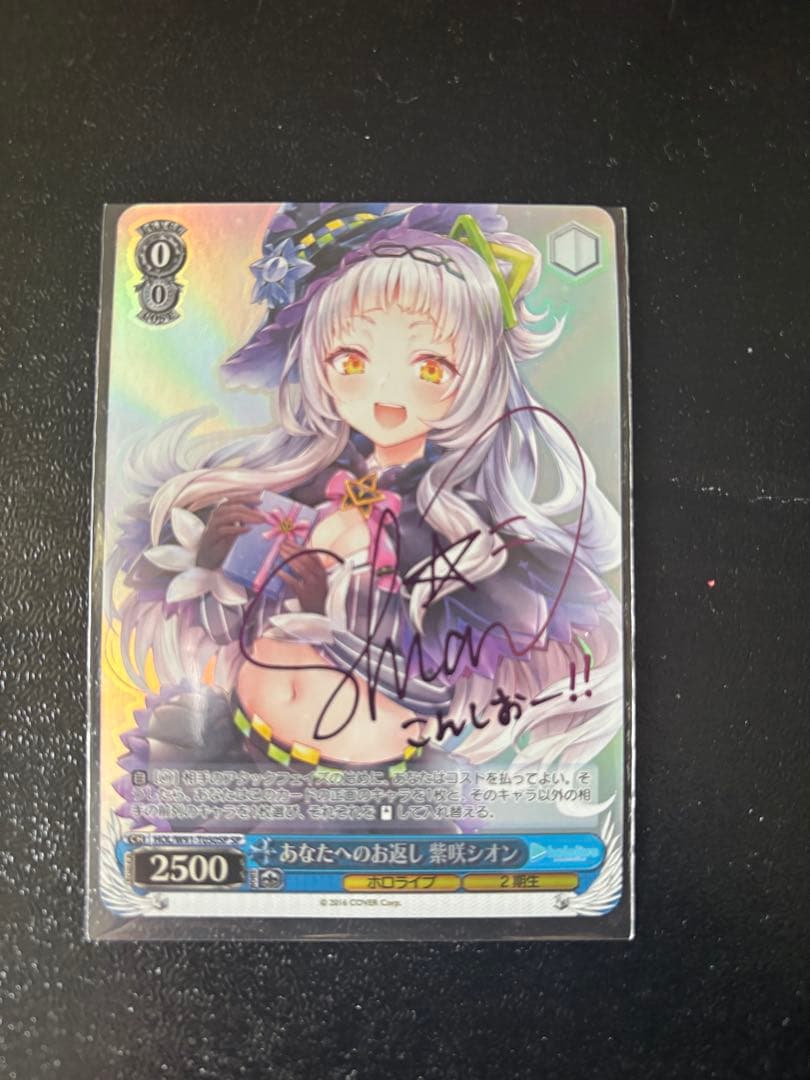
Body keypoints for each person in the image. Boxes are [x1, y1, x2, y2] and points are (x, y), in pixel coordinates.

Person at [110, 203, 622, 832]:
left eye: (430, 368)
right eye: (352, 361)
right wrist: (210, 565)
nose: (386, 395)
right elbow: (234, 629)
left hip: (374, 793)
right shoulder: (299, 486)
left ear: (479, 380)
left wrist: (338, 616)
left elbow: (436, 681)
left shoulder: (459, 532)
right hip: (241, 759)